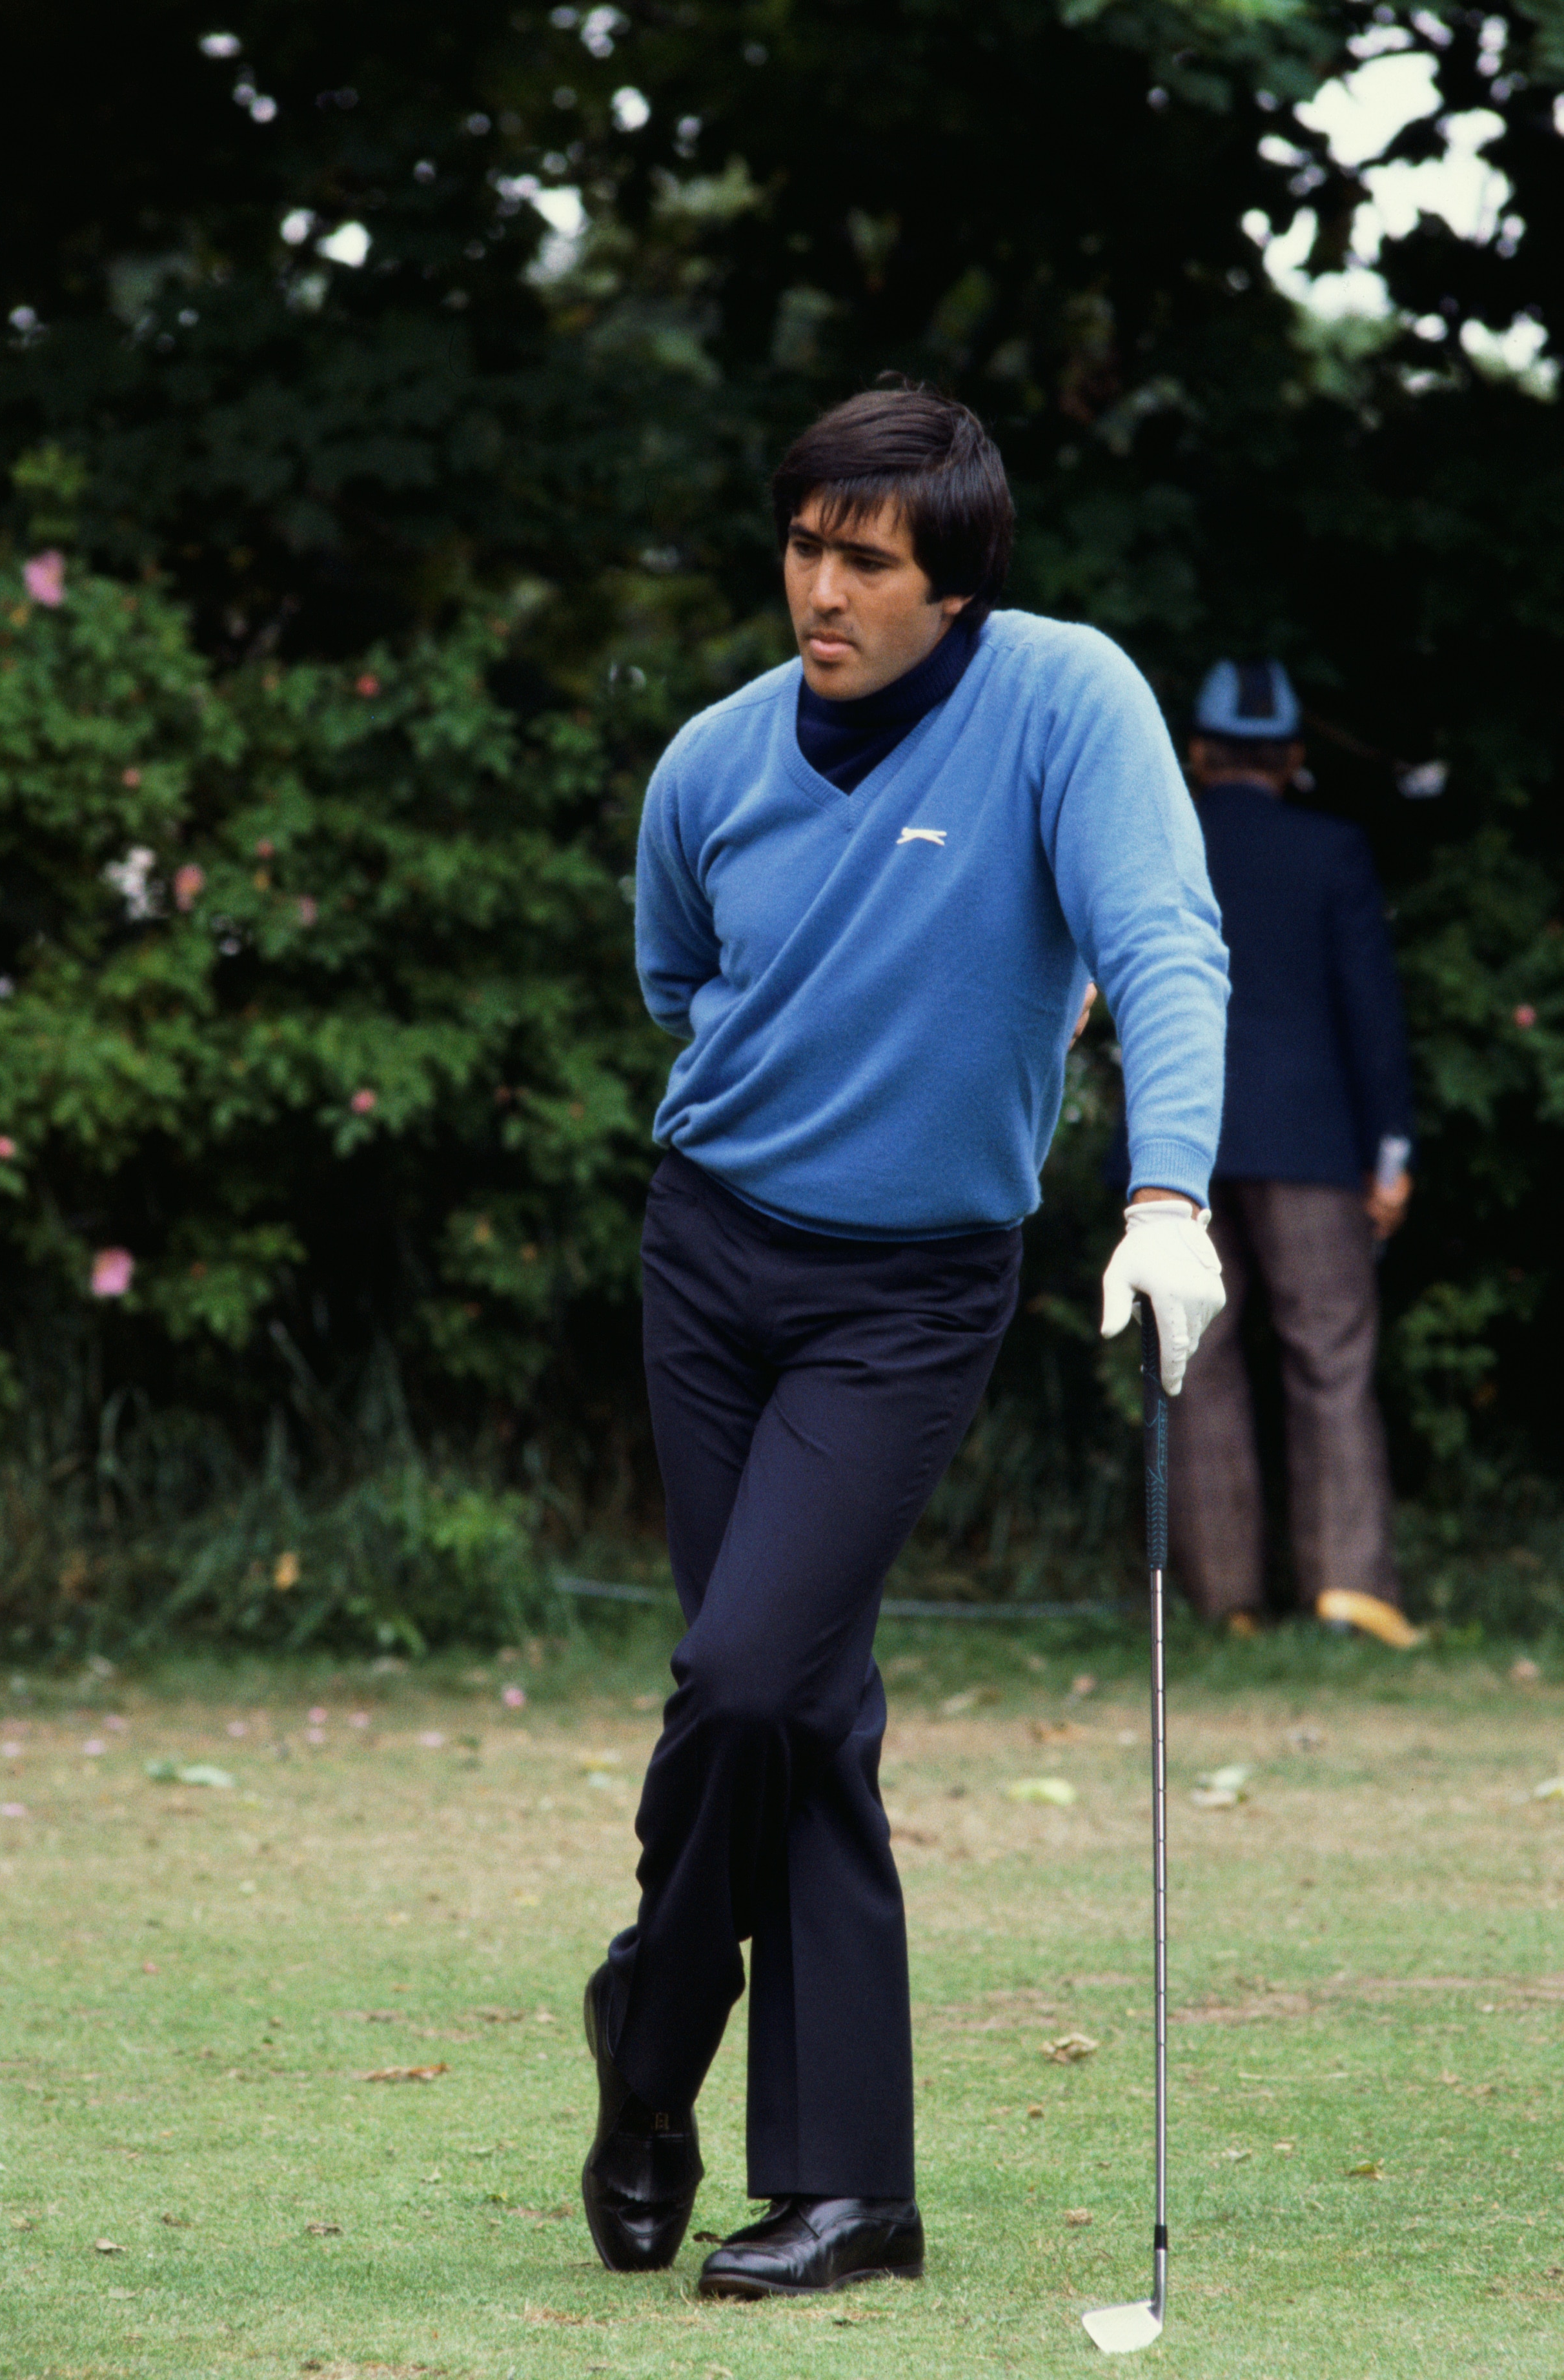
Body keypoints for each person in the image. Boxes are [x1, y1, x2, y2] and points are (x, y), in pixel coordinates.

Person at [581, 383, 1230, 2302]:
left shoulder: (1061, 699)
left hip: (912, 1289)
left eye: (865, 560)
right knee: (791, 1712)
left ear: (953, 587)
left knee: (759, 1685)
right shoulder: (707, 760)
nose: (820, 587)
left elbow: (1163, 943)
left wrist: (1166, 1193)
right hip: (708, 1258)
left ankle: (650, 2025)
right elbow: (677, 981)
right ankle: (851, 2190)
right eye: (803, 545)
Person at [1168, 658, 1417, 1644]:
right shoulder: (1333, 849)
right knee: (1331, 1358)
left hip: (1173, 1147)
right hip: (1311, 1140)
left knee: (1195, 1362)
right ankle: (1349, 1588)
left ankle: (1224, 1602)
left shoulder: (1166, 844)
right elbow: (1373, 1016)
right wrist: (1389, 1155)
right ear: (1296, 759)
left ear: (1195, 752)